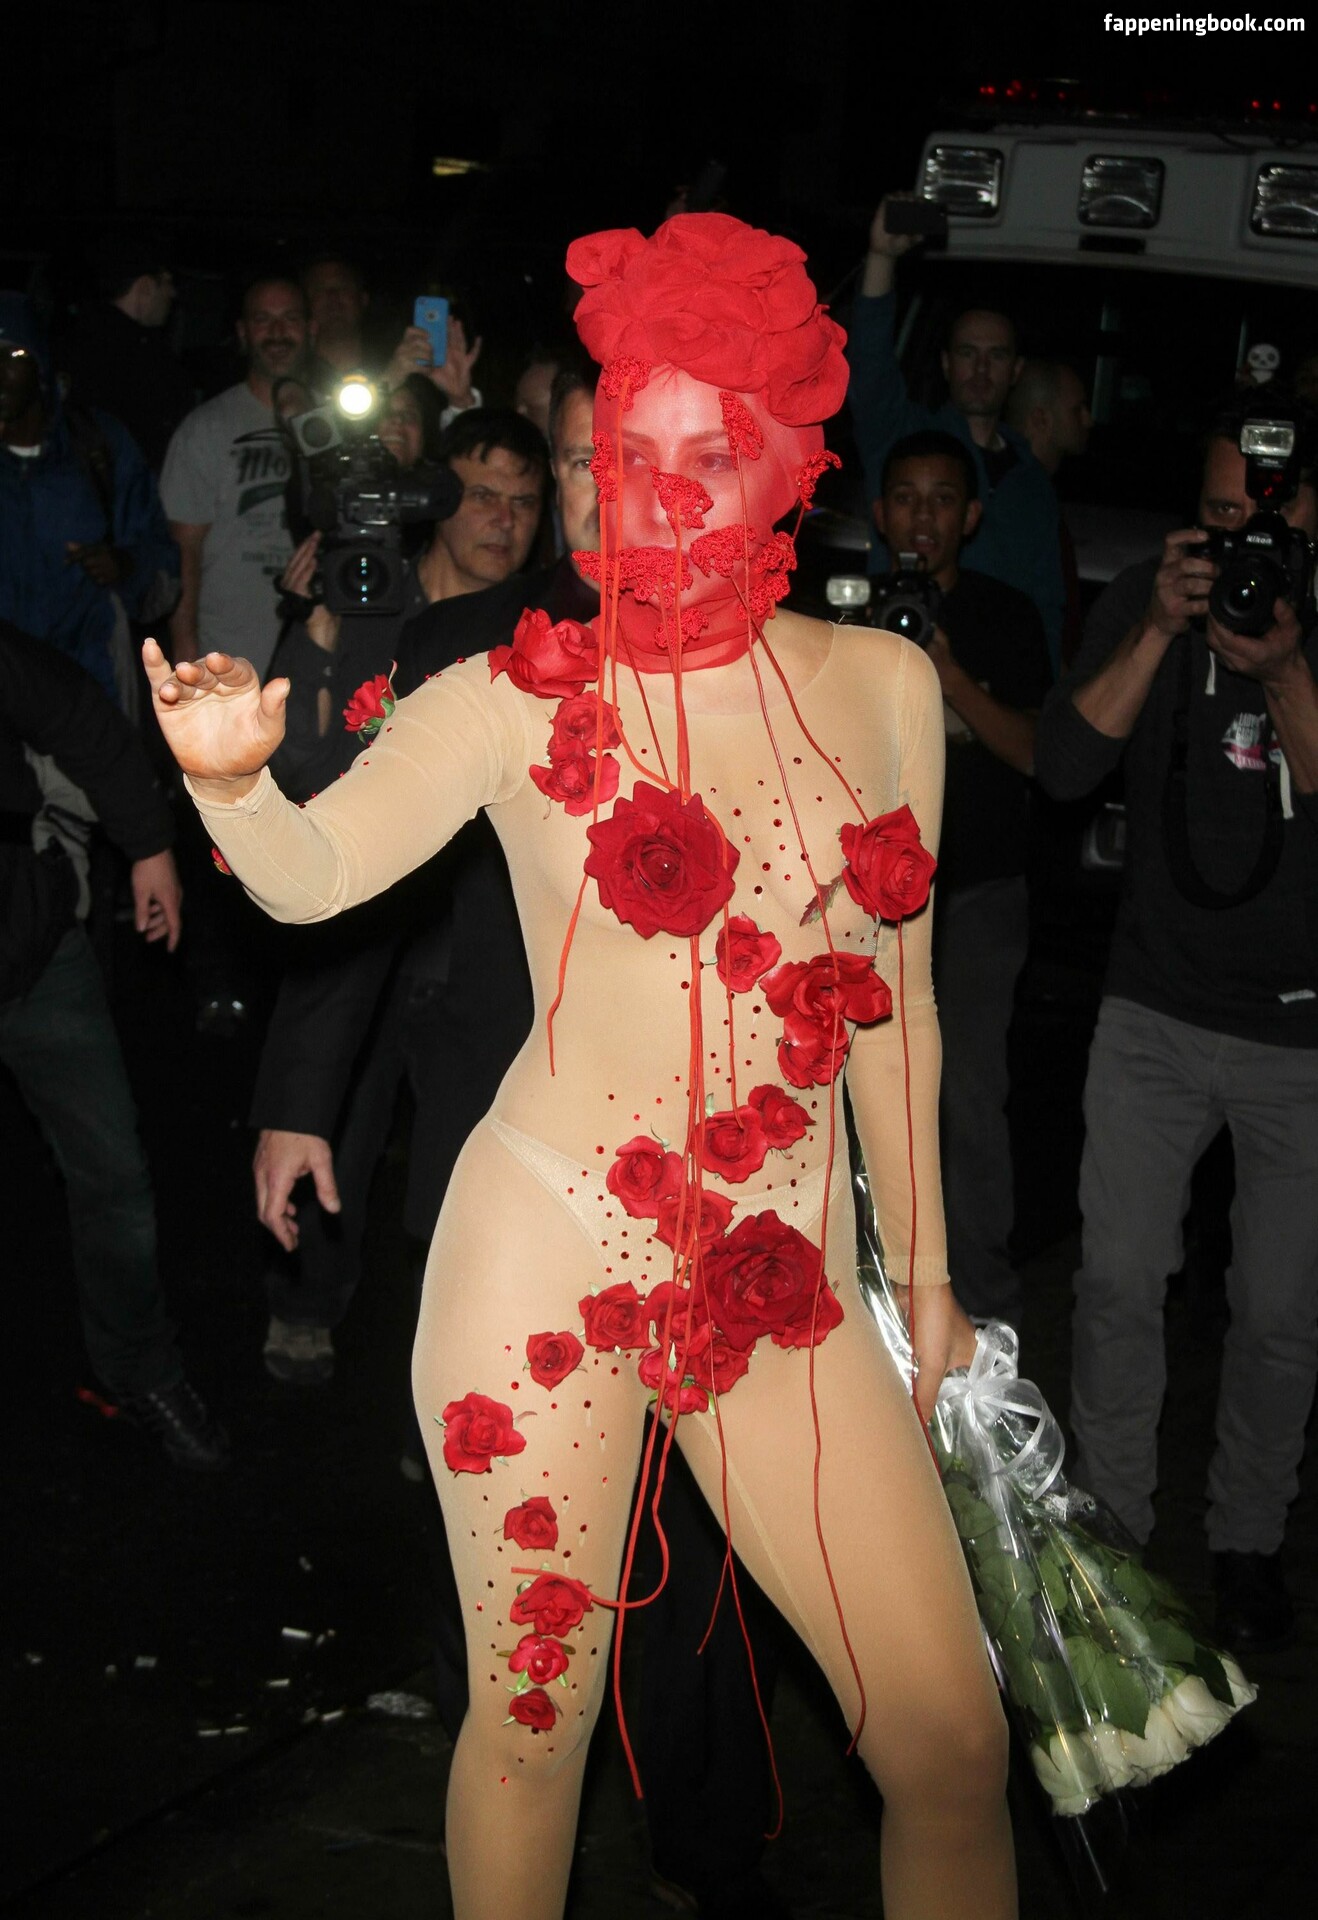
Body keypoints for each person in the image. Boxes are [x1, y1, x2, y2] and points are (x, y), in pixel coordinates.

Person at [147, 212, 1015, 1920]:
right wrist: (232, 780)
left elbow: (897, 1005)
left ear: (782, 465)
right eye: (626, 458)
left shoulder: (886, 687)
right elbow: (316, 879)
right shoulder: (513, 694)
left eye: (710, 457)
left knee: (945, 1743)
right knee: (532, 1728)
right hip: (544, 1244)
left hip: (779, 1274)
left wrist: (921, 1277)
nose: (660, 499)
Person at [1034, 389, 1318, 1654]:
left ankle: (1247, 1540)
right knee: (1112, 1286)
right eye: (1218, 516)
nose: (1243, 544)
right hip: (1152, 1009)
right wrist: (1155, 626)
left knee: (1277, 1314)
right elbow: (1062, 766)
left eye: (1270, 524)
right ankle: (1112, 1535)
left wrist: (1286, 668)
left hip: (1300, 1040)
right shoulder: (1151, 600)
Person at [254, 397, 552, 1385]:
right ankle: (306, 1302)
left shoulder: (546, 630)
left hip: (487, 936)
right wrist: (317, 631)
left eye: (522, 500)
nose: (501, 519)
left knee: (474, 1170)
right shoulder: (370, 595)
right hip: (373, 918)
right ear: (434, 502)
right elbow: (296, 777)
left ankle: (462, 1387)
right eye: (480, 496)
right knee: (342, 1116)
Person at [0, 618, 228, 1469]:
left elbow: (79, 718)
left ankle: (140, 1371)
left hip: (31, 947)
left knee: (115, 1180)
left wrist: (150, 845)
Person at [874, 431, 1051, 1328]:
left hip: (976, 892)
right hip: (865, 901)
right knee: (856, 1096)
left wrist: (948, 674)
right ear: (880, 512)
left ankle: (983, 1317)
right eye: (906, 497)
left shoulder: (1005, 615)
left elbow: (1039, 755)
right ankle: (861, 1304)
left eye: (942, 498)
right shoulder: (848, 610)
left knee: (970, 1100)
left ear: (971, 515)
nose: (923, 516)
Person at [848, 195, 1065, 669]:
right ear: (946, 364)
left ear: (1016, 370)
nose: (981, 370)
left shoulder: (1033, 483)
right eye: (968, 353)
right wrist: (882, 257)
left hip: (994, 694)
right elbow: (870, 368)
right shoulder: (904, 441)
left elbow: (1048, 609)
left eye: (996, 356)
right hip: (897, 666)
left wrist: (1046, 698)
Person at [0, 294, 178, 710]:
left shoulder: (97, 446)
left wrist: (125, 566)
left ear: (40, 362)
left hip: (91, 697)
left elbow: (164, 568)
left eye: (13, 354)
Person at [161, 275, 312, 680]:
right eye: (263, 320)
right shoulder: (205, 428)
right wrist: (185, 650)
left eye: (290, 318)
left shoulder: (337, 426)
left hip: (319, 658)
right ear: (243, 332)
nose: (277, 332)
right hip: (227, 657)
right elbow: (183, 548)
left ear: (310, 328)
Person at [56, 233, 197, 475]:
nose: (172, 293)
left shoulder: (71, 341)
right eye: (167, 282)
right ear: (145, 287)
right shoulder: (143, 357)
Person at [1005, 361, 1093, 665]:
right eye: (1077, 409)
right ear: (1041, 419)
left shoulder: (1040, 493)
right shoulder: (1020, 500)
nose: (1088, 419)